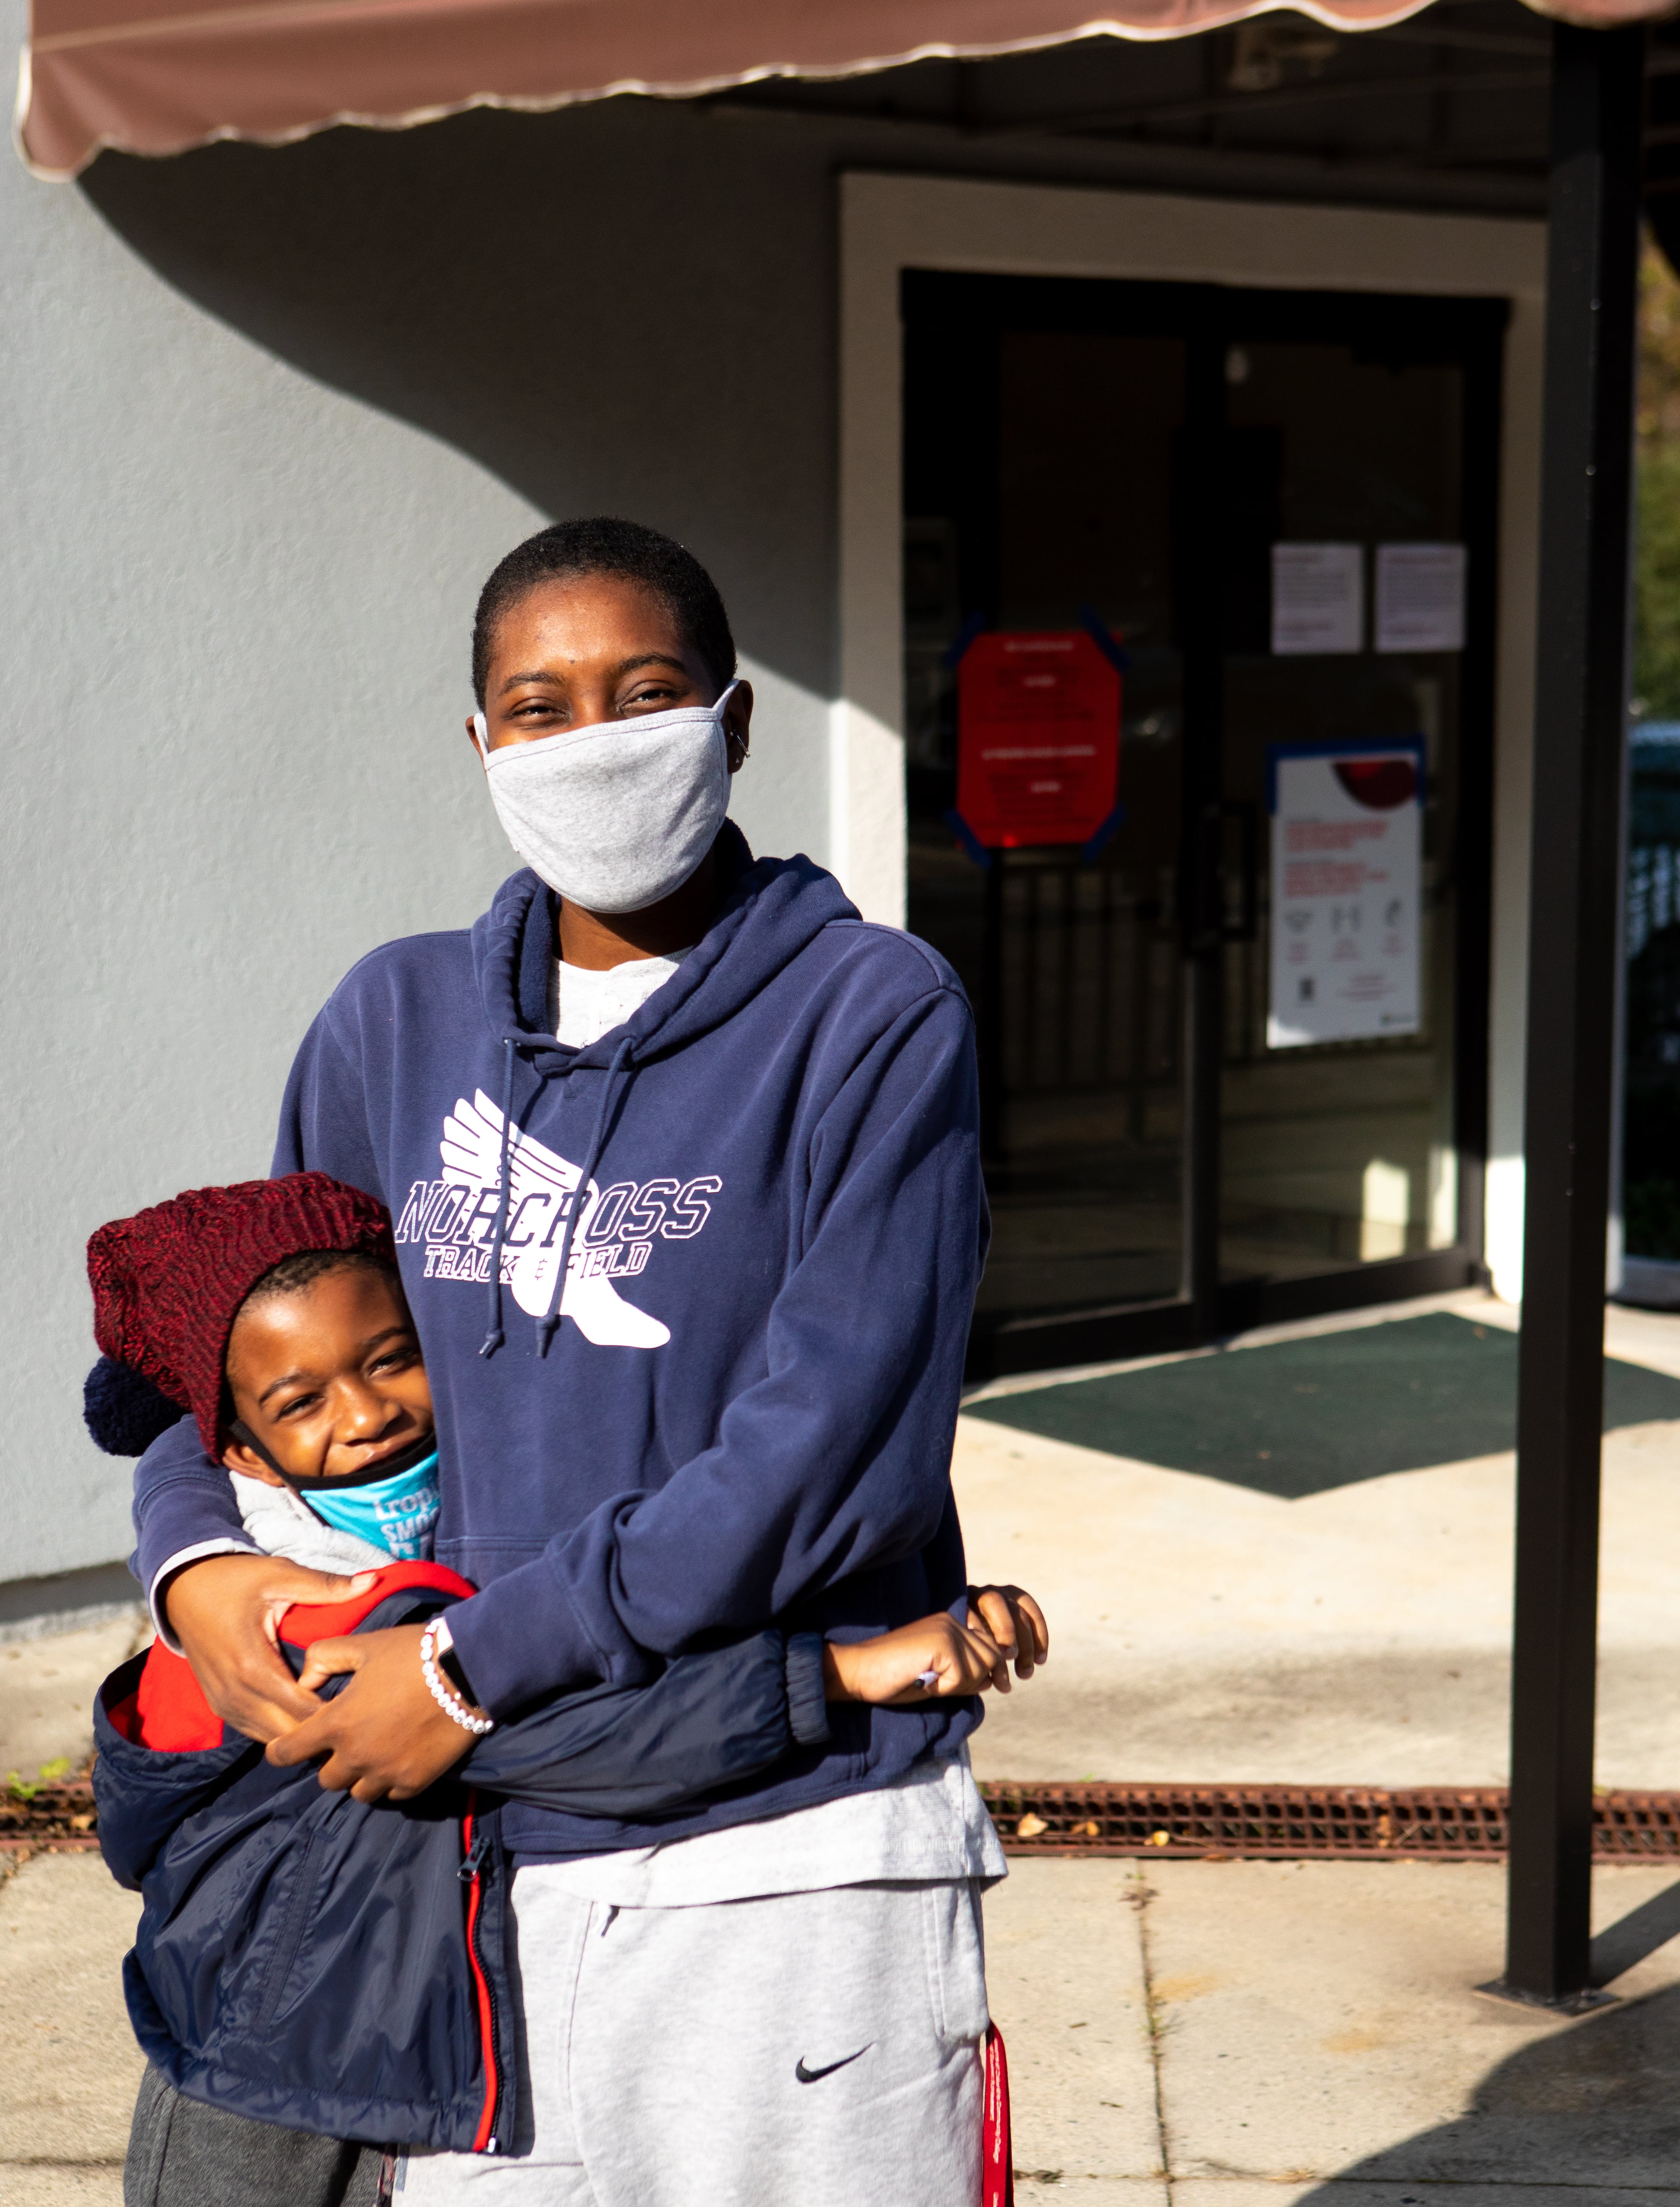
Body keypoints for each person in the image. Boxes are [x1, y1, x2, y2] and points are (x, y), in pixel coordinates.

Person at [127, 516, 1046, 2206]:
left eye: (646, 691)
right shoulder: (389, 1023)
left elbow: (833, 1457)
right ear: (479, 743)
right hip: (476, 1861)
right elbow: (229, 1356)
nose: (594, 740)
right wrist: (195, 1567)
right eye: (538, 707)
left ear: (735, 721)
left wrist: (473, 1662)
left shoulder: (871, 1012)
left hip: (787, 1856)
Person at [89, 1171, 1029, 2205]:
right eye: (300, 1399)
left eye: (392, 1359)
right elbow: (583, 1734)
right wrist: (844, 1669)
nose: (363, 1413)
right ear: (234, 1447)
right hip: (276, 2072)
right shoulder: (295, 1611)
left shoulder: (406, 1507)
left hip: (365, 2031)